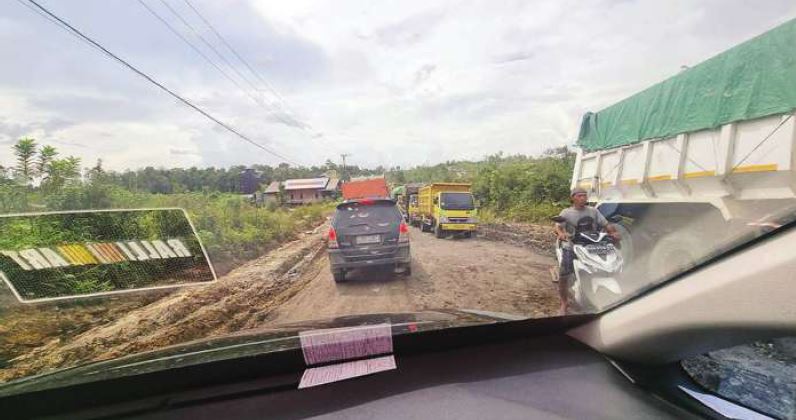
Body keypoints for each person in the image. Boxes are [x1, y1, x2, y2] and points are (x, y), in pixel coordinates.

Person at [554, 187, 620, 315]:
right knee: (564, 272)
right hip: (573, 244)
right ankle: (564, 302)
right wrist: (561, 233)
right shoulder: (566, 212)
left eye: (584, 195)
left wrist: (613, 232)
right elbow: (557, 227)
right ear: (572, 198)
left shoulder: (593, 211)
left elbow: (606, 224)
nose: (583, 198)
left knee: (610, 262)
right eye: (579, 196)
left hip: (593, 244)